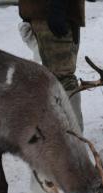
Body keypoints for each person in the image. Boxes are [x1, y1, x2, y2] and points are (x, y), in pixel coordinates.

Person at [19, 0, 85, 130]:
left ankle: (74, 140)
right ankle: (68, 139)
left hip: (52, 14)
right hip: (45, 14)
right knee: (57, 78)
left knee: (62, 78)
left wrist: (58, 8)